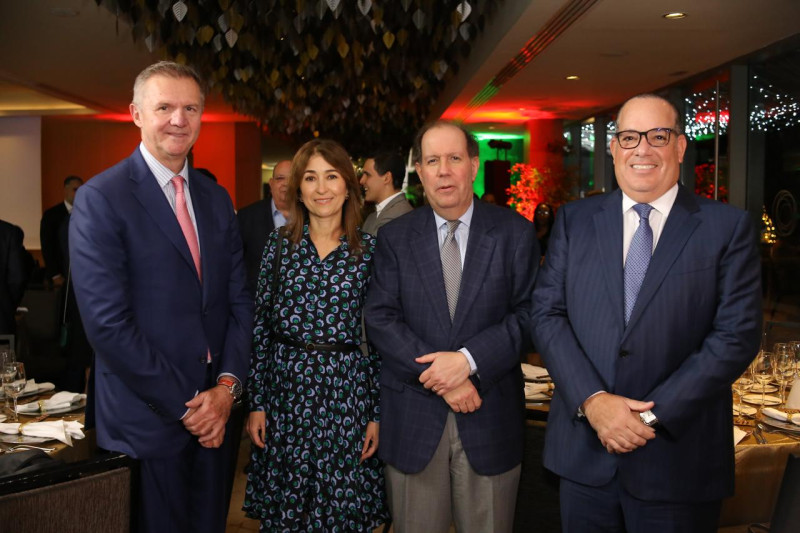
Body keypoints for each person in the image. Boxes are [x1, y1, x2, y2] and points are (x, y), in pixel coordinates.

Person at [530, 94, 762, 532]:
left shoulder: (726, 228)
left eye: (658, 136)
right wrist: (594, 402)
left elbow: (736, 336)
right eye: (630, 137)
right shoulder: (574, 221)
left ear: (679, 147)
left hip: (678, 459)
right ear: (613, 148)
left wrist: (647, 417)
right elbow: (547, 314)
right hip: (585, 454)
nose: (643, 149)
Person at [69, 61, 252, 533]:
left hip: (217, 419)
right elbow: (108, 326)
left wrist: (226, 392)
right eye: (165, 107)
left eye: (190, 108)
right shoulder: (101, 198)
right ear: (135, 113)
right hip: (148, 423)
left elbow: (238, 304)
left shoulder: (215, 198)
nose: (178, 119)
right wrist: (193, 404)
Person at [365, 121, 538, 532]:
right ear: (420, 172)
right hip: (413, 417)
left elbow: (530, 314)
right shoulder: (394, 238)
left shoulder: (515, 232)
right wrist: (444, 377)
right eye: (432, 160)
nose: (443, 170)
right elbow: (380, 317)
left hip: (490, 413)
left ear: (473, 166)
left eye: (454, 158)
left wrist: (468, 362)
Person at [244, 139, 388, 531]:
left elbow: (377, 340)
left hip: (346, 396)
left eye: (331, 177)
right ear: (298, 189)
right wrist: (256, 402)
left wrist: (375, 414)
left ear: (348, 185)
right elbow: (260, 327)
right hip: (284, 394)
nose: (322, 188)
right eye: (311, 178)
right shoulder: (278, 246)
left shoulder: (370, 251)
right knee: (285, 514)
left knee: (340, 513)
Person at [237, 159, 292, 295]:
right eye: (280, 178)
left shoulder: (312, 218)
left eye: (293, 179)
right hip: (257, 307)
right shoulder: (246, 217)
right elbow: (235, 267)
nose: (286, 184)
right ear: (271, 184)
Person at [40, 175, 82, 286]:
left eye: (81, 190)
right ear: (65, 190)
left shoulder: (87, 213)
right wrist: (55, 274)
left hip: (82, 275)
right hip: (61, 275)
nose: (78, 193)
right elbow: (47, 246)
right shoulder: (51, 215)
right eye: (75, 189)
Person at [360, 150, 413, 235]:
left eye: (368, 175)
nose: (362, 181)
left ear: (387, 178)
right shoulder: (373, 216)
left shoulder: (399, 216)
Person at [0, 220, 30, 335]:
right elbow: (18, 278)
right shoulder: (9, 232)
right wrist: (7, 304)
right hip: (2, 324)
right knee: (4, 353)